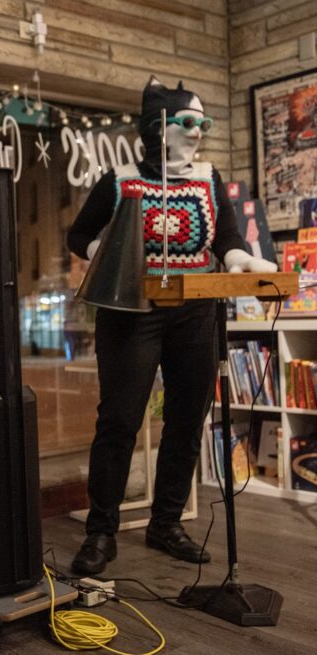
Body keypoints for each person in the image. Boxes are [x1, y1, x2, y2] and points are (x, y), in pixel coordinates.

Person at [66, 77, 277, 576]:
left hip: (195, 311)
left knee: (187, 419)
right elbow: (79, 234)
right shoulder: (118, 180)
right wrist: (109, 255)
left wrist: (242, 261)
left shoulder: (209, 178)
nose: (199, 131)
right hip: (130, 314)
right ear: (158, 126)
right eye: (189, 121)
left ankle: (166, 523)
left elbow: (226, 237)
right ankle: (101, 531)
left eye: (203, 122)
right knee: (119, 419)